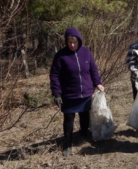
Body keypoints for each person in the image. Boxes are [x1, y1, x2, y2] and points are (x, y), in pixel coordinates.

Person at [50, 27, 104, 157]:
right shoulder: (61, 55)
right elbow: (54, 75)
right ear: (66, 42)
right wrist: (56, 92)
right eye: (69, 42)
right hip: (68, 94)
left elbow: (93, 69)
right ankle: (67, 143)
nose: (72, 45)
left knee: (85, 114)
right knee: (69, 118)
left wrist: (98, 83)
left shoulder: (86, 52)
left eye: (74, 42)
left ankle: (84, 133)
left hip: (85, 91)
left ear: (79, 41)